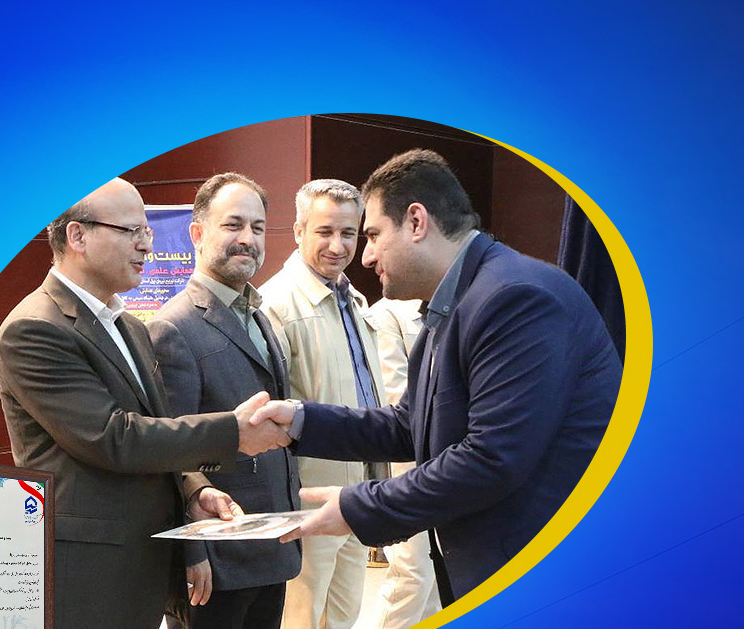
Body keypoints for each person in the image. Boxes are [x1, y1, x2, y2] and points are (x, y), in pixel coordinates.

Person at [252, 149, 621, 604]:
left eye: (372, 235)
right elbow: (410, 426)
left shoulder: (515, 298)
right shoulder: (455, 304)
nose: (365, 256)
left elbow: (491, 458)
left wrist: (357, 505)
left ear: (416, 221)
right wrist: (299, 421)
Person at [0, 177, 288, 629]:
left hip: (138, 574)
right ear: (77, 235)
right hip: (86, 582)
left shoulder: (128, 325)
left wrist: (194, 490)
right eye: (130, 230)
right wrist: (233, 432)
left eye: (147, 230)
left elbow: (155, 426)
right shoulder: (35, 328)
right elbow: (114, 438)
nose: (147, 244)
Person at [148, 173, 302, 629]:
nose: (248, 239)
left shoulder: (259, 316)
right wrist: (192, 553)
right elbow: (171, 454)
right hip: (217, 564)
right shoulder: (173, 326)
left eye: (257, 227)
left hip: (271, 547)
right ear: (196, 233)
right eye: (233, 224)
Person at [258, 179, 389, 629]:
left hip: (356, 492)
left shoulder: (354, 301)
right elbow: (268, 414)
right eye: (324, 231)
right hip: (307, 500)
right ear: (297, 231)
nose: (338, 246)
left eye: (349, 233)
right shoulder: (276, 305)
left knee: (342, 627)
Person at [362, 295, 443, 629]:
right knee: (412, 572)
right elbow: (394, 396)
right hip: (411, 462)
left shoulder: (451, 305)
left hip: (450, 461)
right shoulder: (385, 315)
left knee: (438, 573)